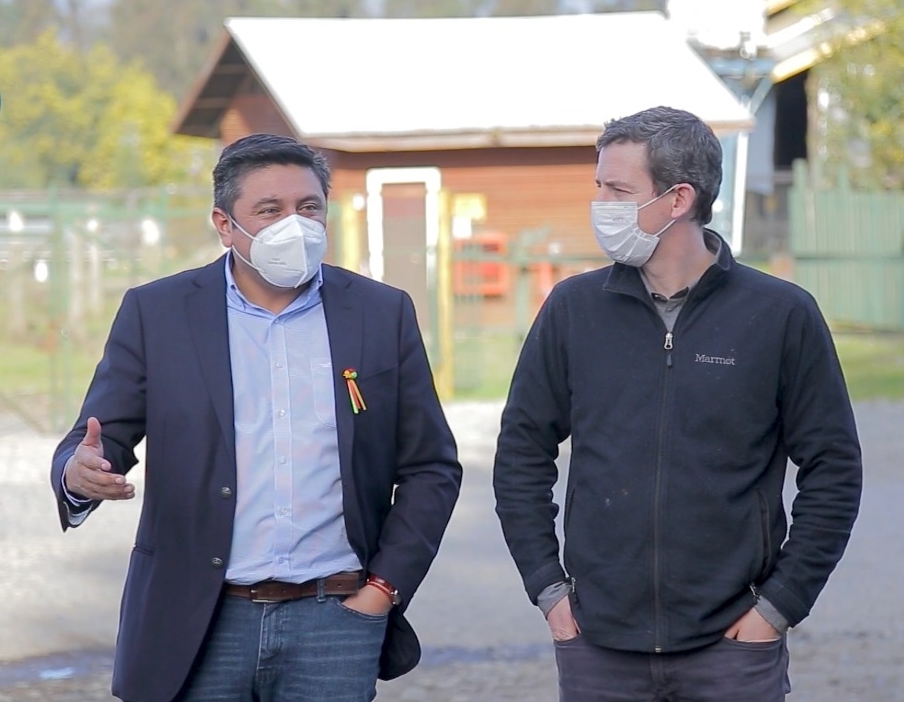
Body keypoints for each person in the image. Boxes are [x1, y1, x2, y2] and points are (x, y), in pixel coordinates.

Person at [50, 133, 462, 702]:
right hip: (198, 617)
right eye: (269, 210)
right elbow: (100, 435)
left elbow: (431, 467)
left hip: (334, 618)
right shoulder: (159, 313)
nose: (294, 224)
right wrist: (80, 472)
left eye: (308, 207)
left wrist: (382, 589)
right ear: (224, 224)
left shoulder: (380, 312)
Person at [492, 106, 862, 702]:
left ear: (678, 198)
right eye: (599, 187)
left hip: (732, 650)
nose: (601, 204)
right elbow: (519, 454)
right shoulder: (572, 310)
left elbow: (835, 471)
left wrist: (779, 606)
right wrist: (550, 591)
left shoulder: (781, 315)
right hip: (598, 646)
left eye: (618, 189)